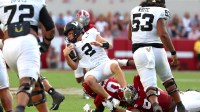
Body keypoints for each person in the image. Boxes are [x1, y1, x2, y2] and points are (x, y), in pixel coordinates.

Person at [128, 0, 187, 112]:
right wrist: (173, 53)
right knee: (168, 80)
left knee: (150, 85)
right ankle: (180, 105)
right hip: (157, 49)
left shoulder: (134, 10)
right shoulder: (160, 11)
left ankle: (155, 105)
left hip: (140, 50)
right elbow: (163, 34)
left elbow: (129, 36)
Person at [63, 21, 132, 111]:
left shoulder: (91, 32)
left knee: (114, 64)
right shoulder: (72, 46)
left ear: (76, 30)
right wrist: (66, 56)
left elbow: (110, 45)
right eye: (68, 34)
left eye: (70, 33)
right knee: (88, 79)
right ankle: (110, 99)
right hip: (92, 70)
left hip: (104, 63)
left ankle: (125, 89)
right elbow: (74, 67)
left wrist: (101, 44)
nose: (69, 36)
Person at [0, 0, 55, 111]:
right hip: (27, 41)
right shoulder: (36, 2)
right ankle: (19, 108)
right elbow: (50, 28)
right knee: (27, 82)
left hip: (7, 46)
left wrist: (4, 38)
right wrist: (46, 43)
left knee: (36, 85)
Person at [83, 75, 200, 112]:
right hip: (178, 103)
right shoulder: (138, 85)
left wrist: (114, 109)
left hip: (180, 100)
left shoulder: (134, 105)